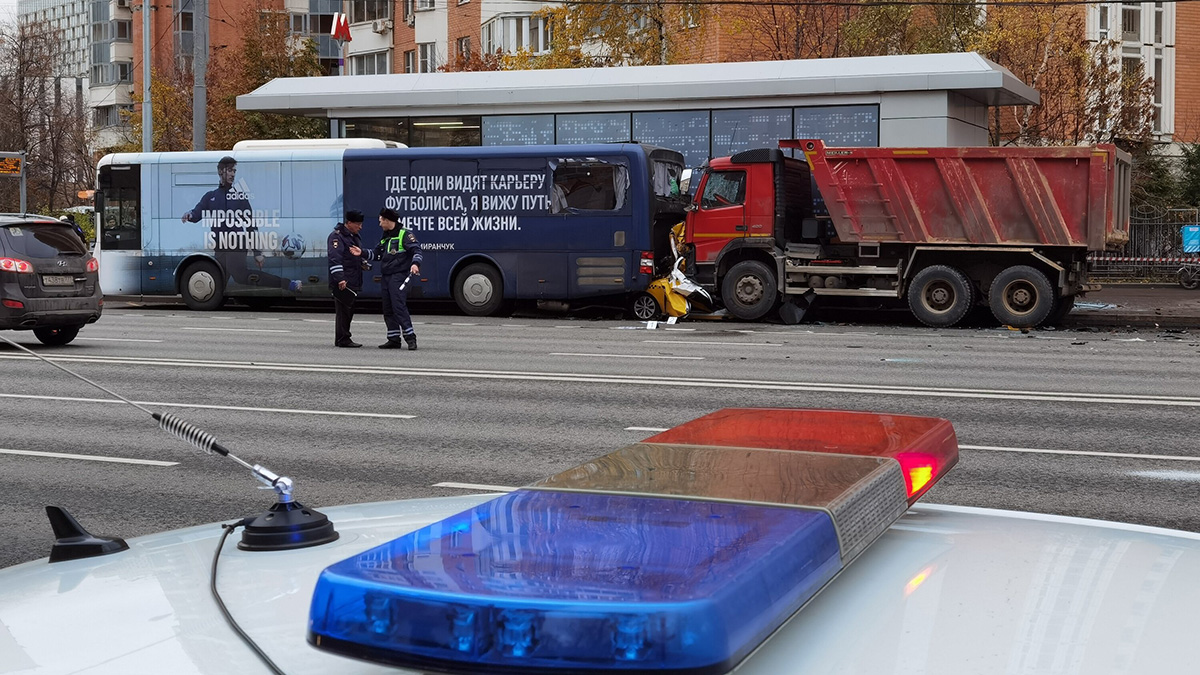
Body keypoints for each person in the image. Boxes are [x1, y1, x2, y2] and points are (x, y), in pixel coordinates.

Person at [181, 156, 302, 293]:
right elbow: (197, 213)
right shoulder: (210, 196)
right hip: (220, 248)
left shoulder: (239, 197)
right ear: (220, 171)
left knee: (240, 276)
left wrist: (257, 252)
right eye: (230, 170)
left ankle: (288, 284)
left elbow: (250, 225)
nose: (233, 174)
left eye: (234, 171)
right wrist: (189, 215)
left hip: (236, 245)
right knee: (218, 284)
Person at [374, 207, 422, 350]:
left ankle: (410, 337)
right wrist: (361, 253)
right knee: (388, 309)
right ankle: (393, 338)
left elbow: (416, 250)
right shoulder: (386, 236)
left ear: (388, 220)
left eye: (381, 221)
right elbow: (376, 254)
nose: (379, 224)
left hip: (398, 276)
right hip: (386, 276)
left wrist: (415, 264)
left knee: (398, 307)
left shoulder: (404, 234)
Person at [328, 210, 371, 348]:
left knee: (348, 310)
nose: (360, 227)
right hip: (344, 281)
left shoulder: (353, 236)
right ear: (349, 223)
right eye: (358, 224)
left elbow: (354, 256)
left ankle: (344, 336)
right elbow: (335, 259)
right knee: (343, 311)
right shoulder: (337, 237)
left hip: (352, 278)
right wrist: (340, 279)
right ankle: (342, 339)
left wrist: (363, 263)